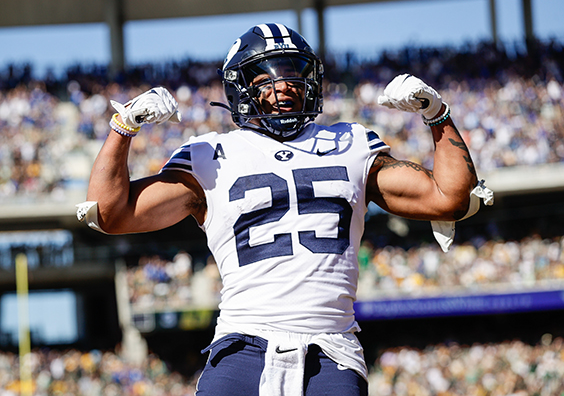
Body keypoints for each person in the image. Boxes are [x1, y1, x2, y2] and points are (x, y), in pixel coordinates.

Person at [77, 23, 492, 396]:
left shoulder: (351, 143)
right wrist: (123, 128)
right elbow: (110, 213)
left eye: (294, 73)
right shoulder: (210, 154)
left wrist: (437, 114)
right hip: (242, 344)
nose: (285, 85)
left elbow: (449, 198)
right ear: (241, 87)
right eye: (268, 75)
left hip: (331, 351)